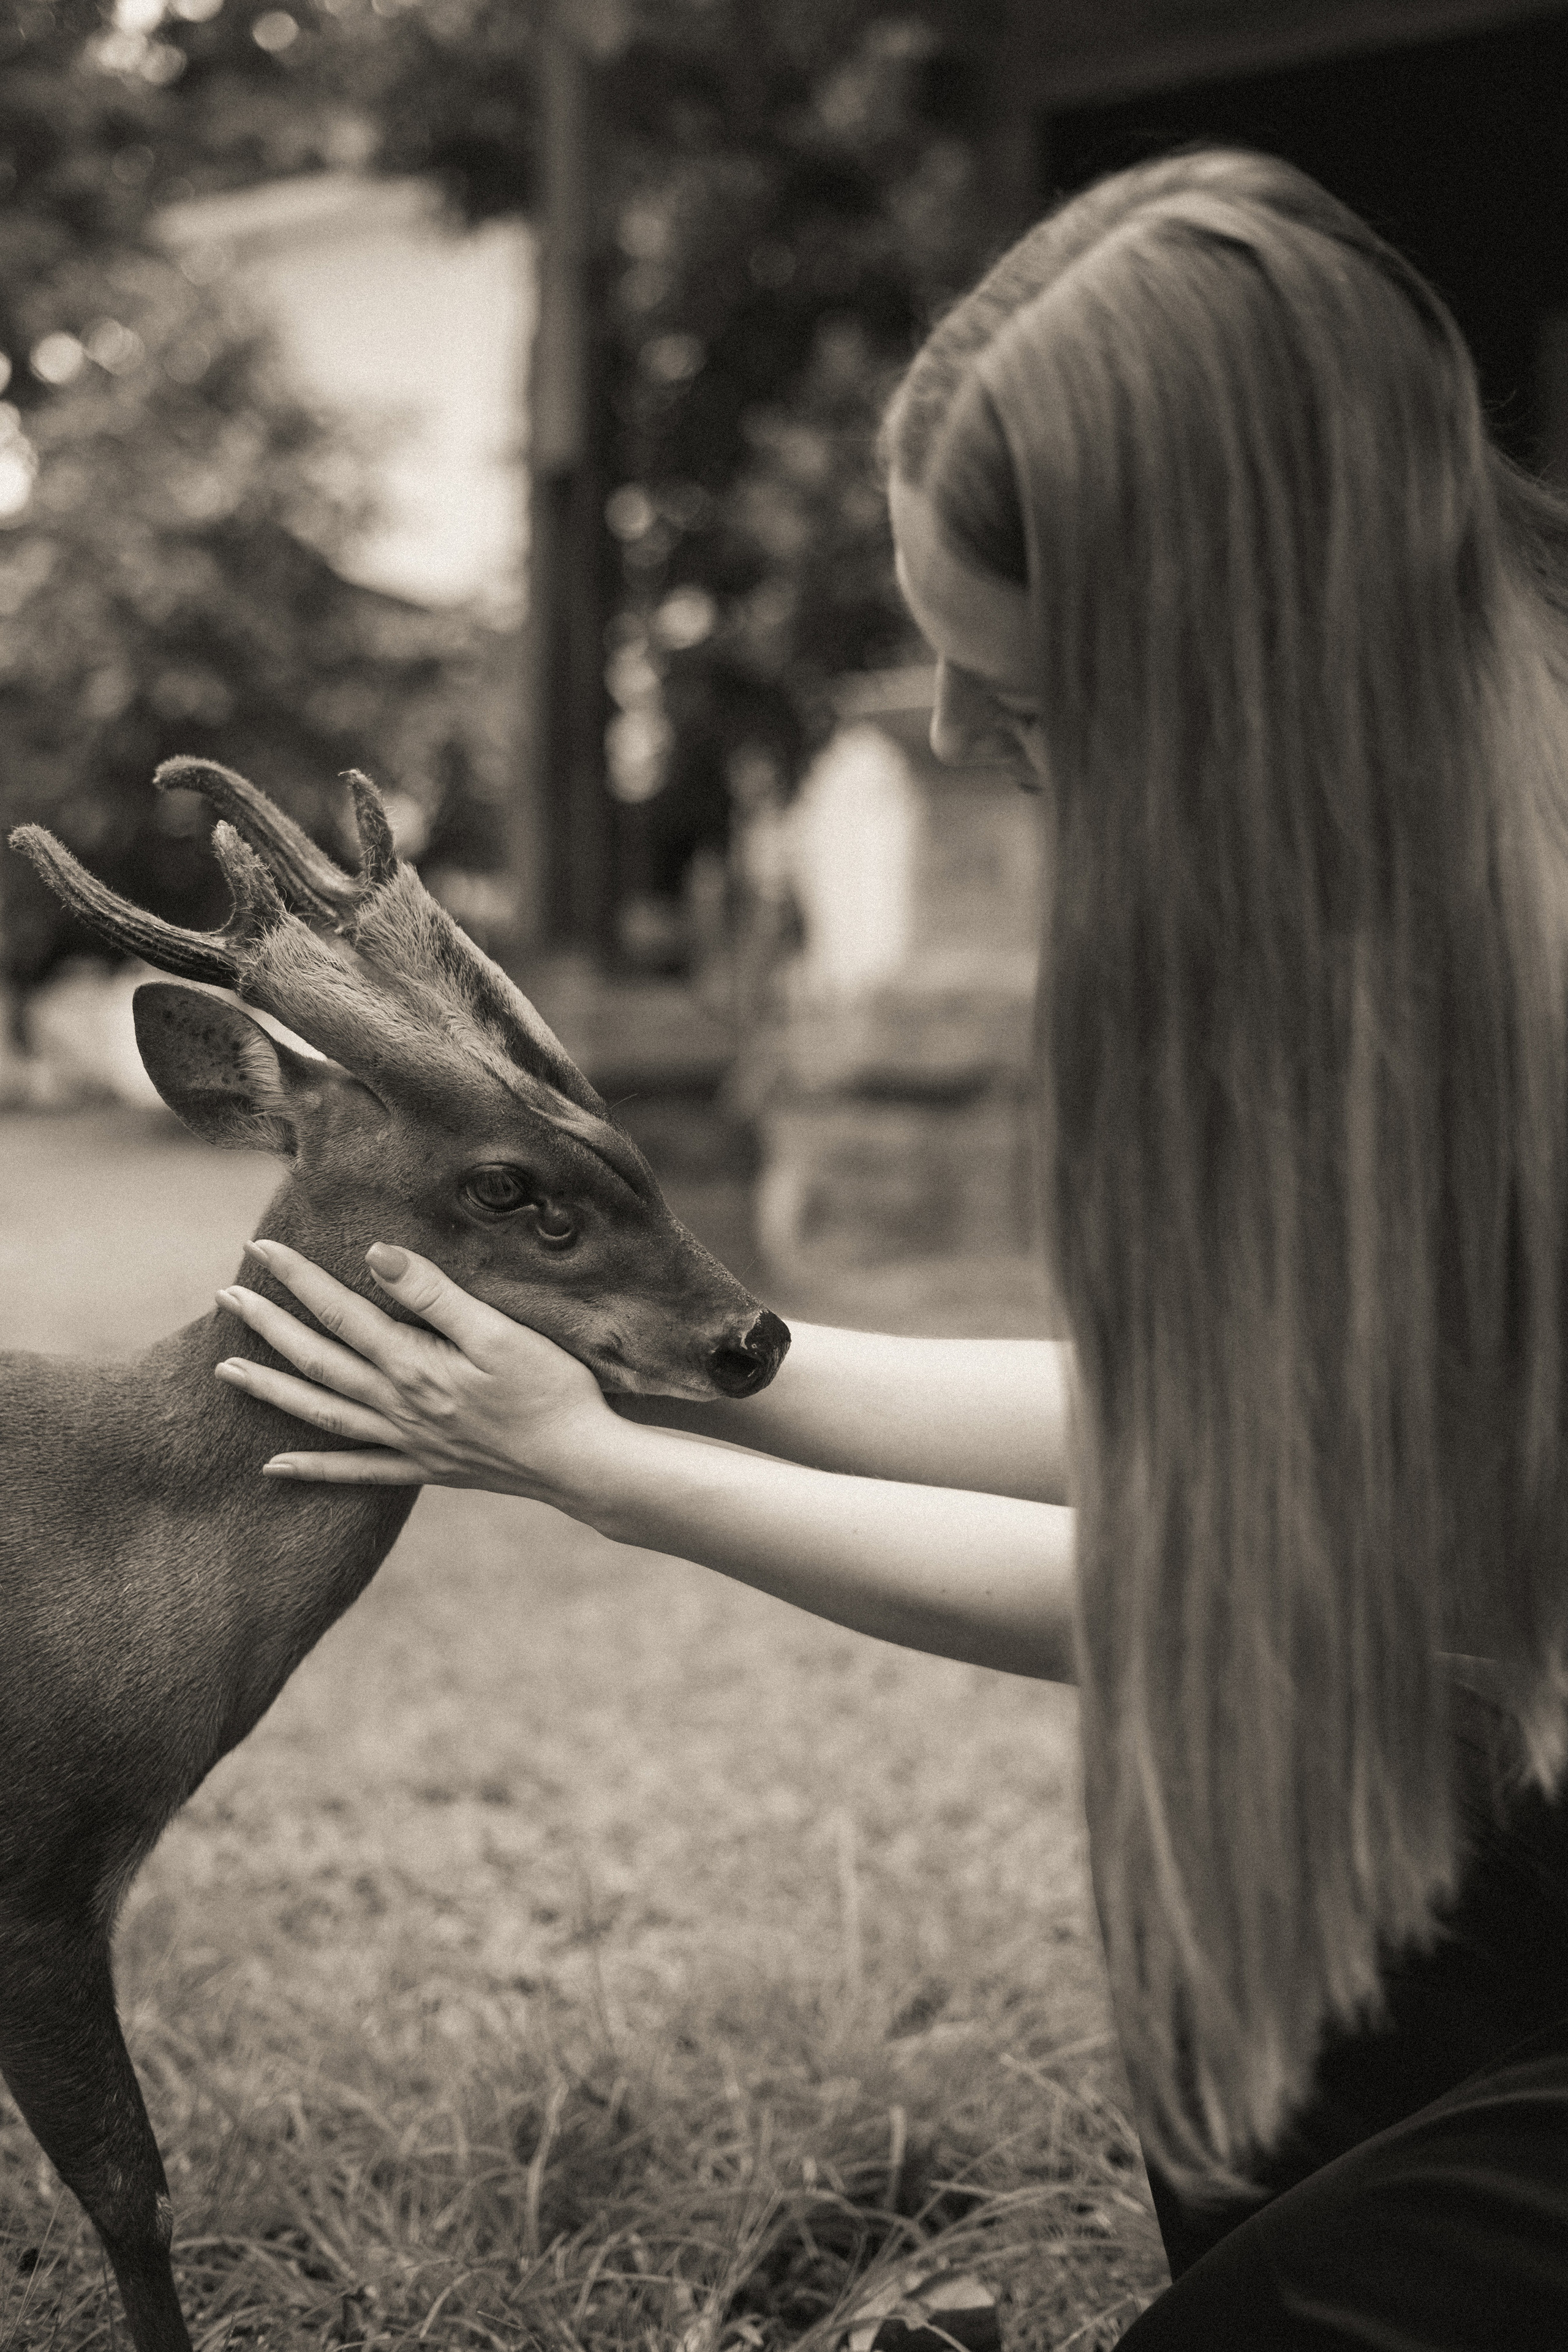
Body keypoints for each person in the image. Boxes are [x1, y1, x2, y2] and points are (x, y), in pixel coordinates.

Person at [208, 148, 1568, 2346]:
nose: (943, 734)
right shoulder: (1386, 907)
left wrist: (612, 1471)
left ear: (1245, 648)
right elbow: (1234, 1448)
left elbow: (1237, 1594)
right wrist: (695, 1363)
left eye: (1018, 687)